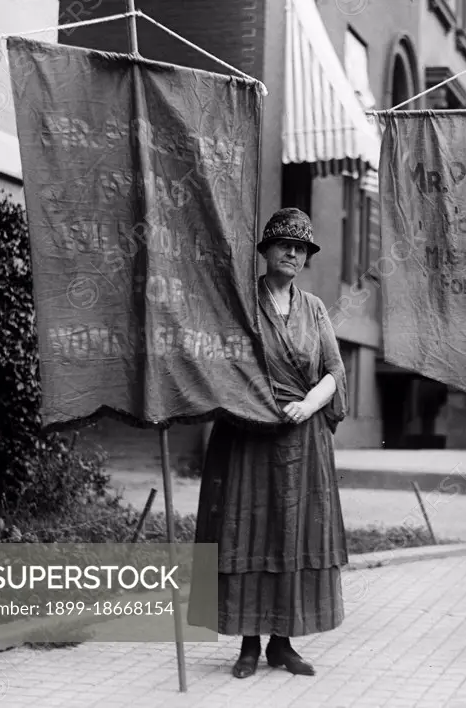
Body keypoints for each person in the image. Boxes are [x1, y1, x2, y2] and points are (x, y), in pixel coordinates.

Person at [188, 208, 348, 679]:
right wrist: (255, 405)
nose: (293, 253)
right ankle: (248, 644)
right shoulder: (241, 303)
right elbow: (220, 367)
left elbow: (336, 372)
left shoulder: (315, 308)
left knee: (292, 537)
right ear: (265, 251)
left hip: (303, 439)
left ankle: (283, 643)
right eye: (284, 244)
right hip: (248, 437)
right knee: (246, 532)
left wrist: (310, 404)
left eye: (301, 248)